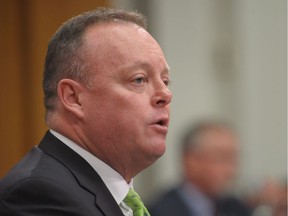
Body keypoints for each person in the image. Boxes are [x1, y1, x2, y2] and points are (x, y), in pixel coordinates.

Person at [0, 8, 172, 216]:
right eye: (138, 79)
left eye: (165, 81)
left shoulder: (113, 196)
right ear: (73, 98)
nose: (165, 94)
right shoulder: (39, 195)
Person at [149, 121, 251, 216]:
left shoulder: (237, 208)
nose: (231, 171)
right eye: (222, 158)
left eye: (234, 160)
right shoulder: (159, 211)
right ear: (191, 161)